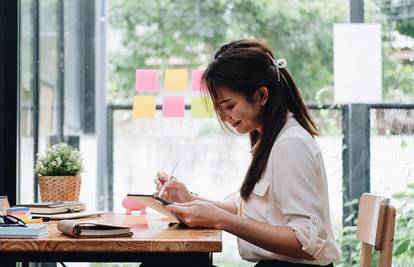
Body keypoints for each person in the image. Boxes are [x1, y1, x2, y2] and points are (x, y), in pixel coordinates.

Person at [154, 39, 341, 267]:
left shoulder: (290, 145)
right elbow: (245, 205)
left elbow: (306, 242)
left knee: (169, 264)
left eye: (230, 106)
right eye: (220, 109)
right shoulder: (271, 139)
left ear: (261, 96)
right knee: (173, 262)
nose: (224, 117)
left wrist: (221, 221)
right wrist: (189, 198)